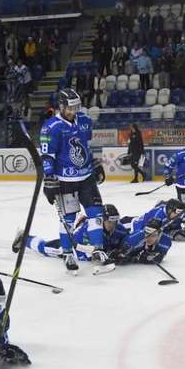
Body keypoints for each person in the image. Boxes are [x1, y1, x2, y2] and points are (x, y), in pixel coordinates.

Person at [40, 88, 107, 274]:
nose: (73, 111)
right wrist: (49, 180)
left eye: (76, 107)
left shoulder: (85, 121)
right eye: (70, 108)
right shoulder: (51, 127)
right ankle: (68, 253)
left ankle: (98, 250)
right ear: (61, 106)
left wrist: (95, 165)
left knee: (96, 213)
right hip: (65, 181)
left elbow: (87, 146)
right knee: (68, 219)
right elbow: (47, 156)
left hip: (86, 178)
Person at [16, 204, 128, 266]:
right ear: (102, 220)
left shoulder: (119, 229)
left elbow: (126, 241)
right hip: (75, 247)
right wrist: (109, 254)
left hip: (89, 247)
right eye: (110, 221)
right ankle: (24, 238)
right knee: (45, 248)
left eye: (115, 221)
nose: (113, 225)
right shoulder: (91, 230)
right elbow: (90, 254)